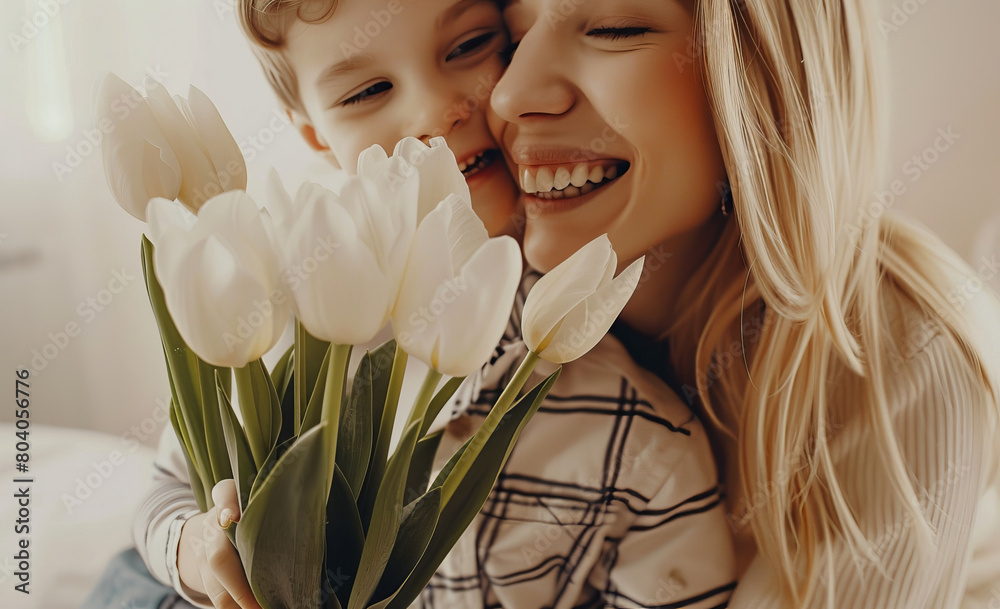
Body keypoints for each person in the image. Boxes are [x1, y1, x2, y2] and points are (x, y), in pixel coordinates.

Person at [86, 1, 738, 608]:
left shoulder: (640, 441)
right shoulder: (269, 305)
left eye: (472, 46)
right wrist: (195, 548)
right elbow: (168, 489)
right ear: (313, 135)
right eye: (368, 91)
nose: (434, 110)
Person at [483, 0, 1000, 607]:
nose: (510, 96)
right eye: (511, 43)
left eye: (614, 30)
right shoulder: (477, 306)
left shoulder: (908, 354)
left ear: (771, 75)